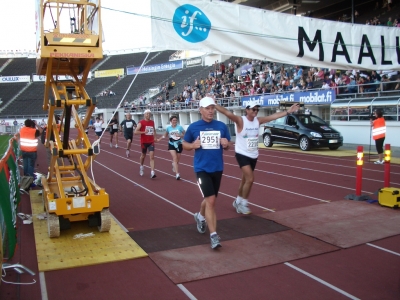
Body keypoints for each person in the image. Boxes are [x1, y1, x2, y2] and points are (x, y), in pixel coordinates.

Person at [215, 102, 300, 215]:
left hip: (253, 155)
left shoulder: (258, 121)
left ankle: (238, 201)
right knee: (250, 179)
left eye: (257, 109)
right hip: (242, 154)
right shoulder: (241, 120)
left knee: (245, 180)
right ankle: (243, 204)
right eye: (253, 109)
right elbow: (226, 112)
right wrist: (214, 104)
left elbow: (273, 116)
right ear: (247, 110)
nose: (255, 111)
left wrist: (288, 112)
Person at [183, 97, 231, 249]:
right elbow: (184, 144)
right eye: (207, 108)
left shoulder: (222, 126)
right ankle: (214, 236)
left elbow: (228, 144)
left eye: (212, 108)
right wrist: (192, 145)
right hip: (201, 169)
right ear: (201, 110)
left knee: (210, 199)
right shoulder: (194, 127)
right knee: (211, 201)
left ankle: (200, 216)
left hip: (217, 168)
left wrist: (226, 144)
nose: (210, 111)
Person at [135, 109, 161, 178]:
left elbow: (154, 130)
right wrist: (144, 132)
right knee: (143, 155)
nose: (148, 115)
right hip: (144, 142)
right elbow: (135, 132)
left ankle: (152, 172)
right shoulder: (141, 122)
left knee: (152, 156)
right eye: (147, 114)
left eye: (149, 114)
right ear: (144, 115)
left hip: (151, 142)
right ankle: (141, 166)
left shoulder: (152, 122)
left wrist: (155, 137)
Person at [160, 115, 186, 180]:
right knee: (174, 158)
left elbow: (185, 134)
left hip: (179, 144)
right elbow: (165, 135)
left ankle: (174, 164)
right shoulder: (168, 128)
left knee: (177, 159)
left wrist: (180, 135)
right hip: (171, 144)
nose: (175, 121)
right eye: (173, 120)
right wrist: (159, 139)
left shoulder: (180, 127)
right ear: (171, 121)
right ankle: (177, 174)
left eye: (176, 120)